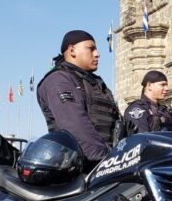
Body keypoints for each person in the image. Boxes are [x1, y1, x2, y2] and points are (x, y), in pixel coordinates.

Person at [37, 30, 119, 169]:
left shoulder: (94, 82)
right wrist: (110, 160)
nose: (97, 54)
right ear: (72, 50)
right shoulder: (59, 80)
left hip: (107, 165)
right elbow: (75, 125)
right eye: (91, 49)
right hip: (83, 169)